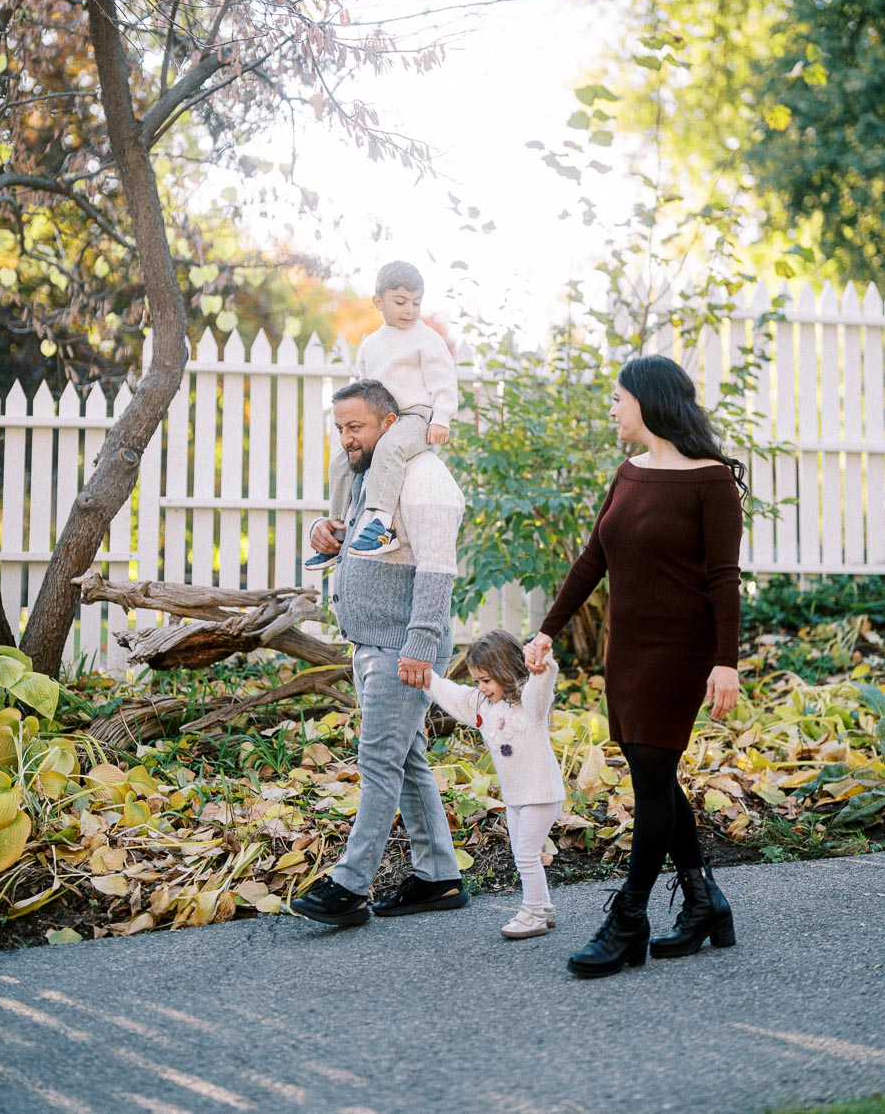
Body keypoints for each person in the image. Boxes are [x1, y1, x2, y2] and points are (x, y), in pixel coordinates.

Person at [527, 354, 745, 978]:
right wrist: (547, 631)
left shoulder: (712, 482)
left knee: (650, 779)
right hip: (629, 649)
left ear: (649, 402)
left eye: (619, 398)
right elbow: (594, 556)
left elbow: (724, 580)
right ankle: (705, 901)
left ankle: (628, 919)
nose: (613, 409)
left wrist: (725, 663)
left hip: (681, 651)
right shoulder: (628, 474)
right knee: (652, 773)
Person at [292, 378, 468, 926]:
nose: (346, 438)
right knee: (406, 758)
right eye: (340, 427)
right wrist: (326, 532)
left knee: (378, 760)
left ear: (389, 424)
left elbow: (438, 570)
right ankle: (438, 877)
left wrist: (418, 646)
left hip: (402, 648)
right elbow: (375, 544)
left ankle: (349, 885)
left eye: (356, 427)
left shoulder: (426, 480)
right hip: (373, 645)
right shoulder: (374, 477)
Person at [304, 260, 458, 568]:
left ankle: (381, 524)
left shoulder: (426, 339)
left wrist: (441, 418)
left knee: (390, 447)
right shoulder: (372, 344)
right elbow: (364, 386)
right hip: (380, 419)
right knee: (344, 457)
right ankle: (338, 530)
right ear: (379, 302)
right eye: (400, 302)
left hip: (414, 417)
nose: (409, 309)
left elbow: (444, 381)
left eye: (416, 302)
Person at [414, 629, 565, 939]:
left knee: (525, 854)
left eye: (486, 681)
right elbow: (453, 695)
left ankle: (533, 912)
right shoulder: (482, 704)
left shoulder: (529, 704)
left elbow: (541, 685)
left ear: (506, 672)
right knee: (525, 854)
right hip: (515, 796)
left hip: (541, 793)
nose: (481, 688)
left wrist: (543, 662)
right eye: (477, 681)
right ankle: (544, 906)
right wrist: (428, 679)